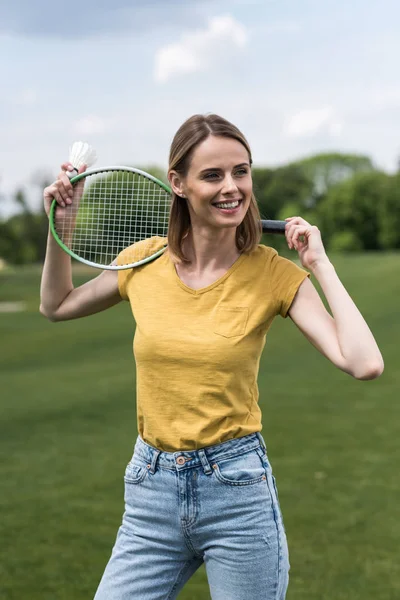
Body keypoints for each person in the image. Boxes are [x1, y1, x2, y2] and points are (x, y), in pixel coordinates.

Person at [41, 114, 384, 600]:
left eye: (241, 172)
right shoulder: (144, 261)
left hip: (236, 492)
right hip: (150, 491)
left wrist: (320, 265)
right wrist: (63, 228)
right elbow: (56, 306)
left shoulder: (272, 273)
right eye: (213, 175)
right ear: (177, 184)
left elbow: (364, 362)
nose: (232, 188)